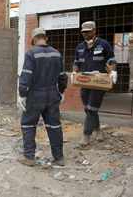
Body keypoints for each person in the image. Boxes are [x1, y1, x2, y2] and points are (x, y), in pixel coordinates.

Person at [18, 28, 68, 167]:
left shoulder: (31, 53)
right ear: (46, 38)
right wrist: (62, 92)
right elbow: (63, 76)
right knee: (54, 126)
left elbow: (26, 76)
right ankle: (59, 158)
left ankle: (29, 157)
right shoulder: (57, 53)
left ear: (34, 39)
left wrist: (22, 94)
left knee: (28, 124)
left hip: (35, 95)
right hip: (52, 95)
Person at [73, 21, 116, 147]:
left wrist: (112, 71)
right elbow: (76, 62)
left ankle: (86, 135)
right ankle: (98, 130)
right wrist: (74, 72)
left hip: (99, 82)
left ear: (94, 31)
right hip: (85, 81)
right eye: (83, 32)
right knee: (88, 109)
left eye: (88, 31)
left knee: (92, 109)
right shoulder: (80, 47)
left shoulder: (103, 45)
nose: (85, 34)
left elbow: (111, 60)